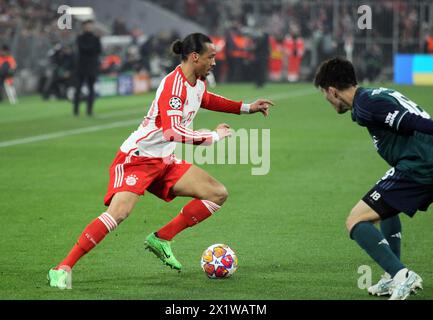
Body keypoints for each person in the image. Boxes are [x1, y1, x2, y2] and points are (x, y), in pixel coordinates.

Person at [48, 33, 274, 289]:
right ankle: (62, 267)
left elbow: (207, 99)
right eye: (211, 57)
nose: (214, 63)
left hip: (164, 160)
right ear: (194, 57)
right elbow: (173, 132)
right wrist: (213, 136)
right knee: (119, 213)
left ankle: (162, 238)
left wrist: (247, 107)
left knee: (217, 193)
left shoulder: (198, 82)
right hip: (137, 158)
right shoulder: (173, 87)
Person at [314, 57, 433, 300]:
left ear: (332, 90)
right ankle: (393, 276)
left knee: (356, 220)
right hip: (418, 162)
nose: (326, 99)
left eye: (324, 94)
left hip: (420, 166)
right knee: (387, 206)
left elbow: (409, 121)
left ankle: (401, 275)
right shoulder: (371, 97)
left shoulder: (367, 105)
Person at [73, 20, 102, 116]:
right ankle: (76, 110)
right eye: (87, 26)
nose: (89, 27)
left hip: (92, 67)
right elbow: (84, 49)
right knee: (78, 89)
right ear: (83, 27)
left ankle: (89, 110)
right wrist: (91, 50)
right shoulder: (80, 38)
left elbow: (98, 50)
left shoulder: (96, 38)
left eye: (90, 26)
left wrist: (90, 50)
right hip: (81, 66)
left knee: (91, 89)